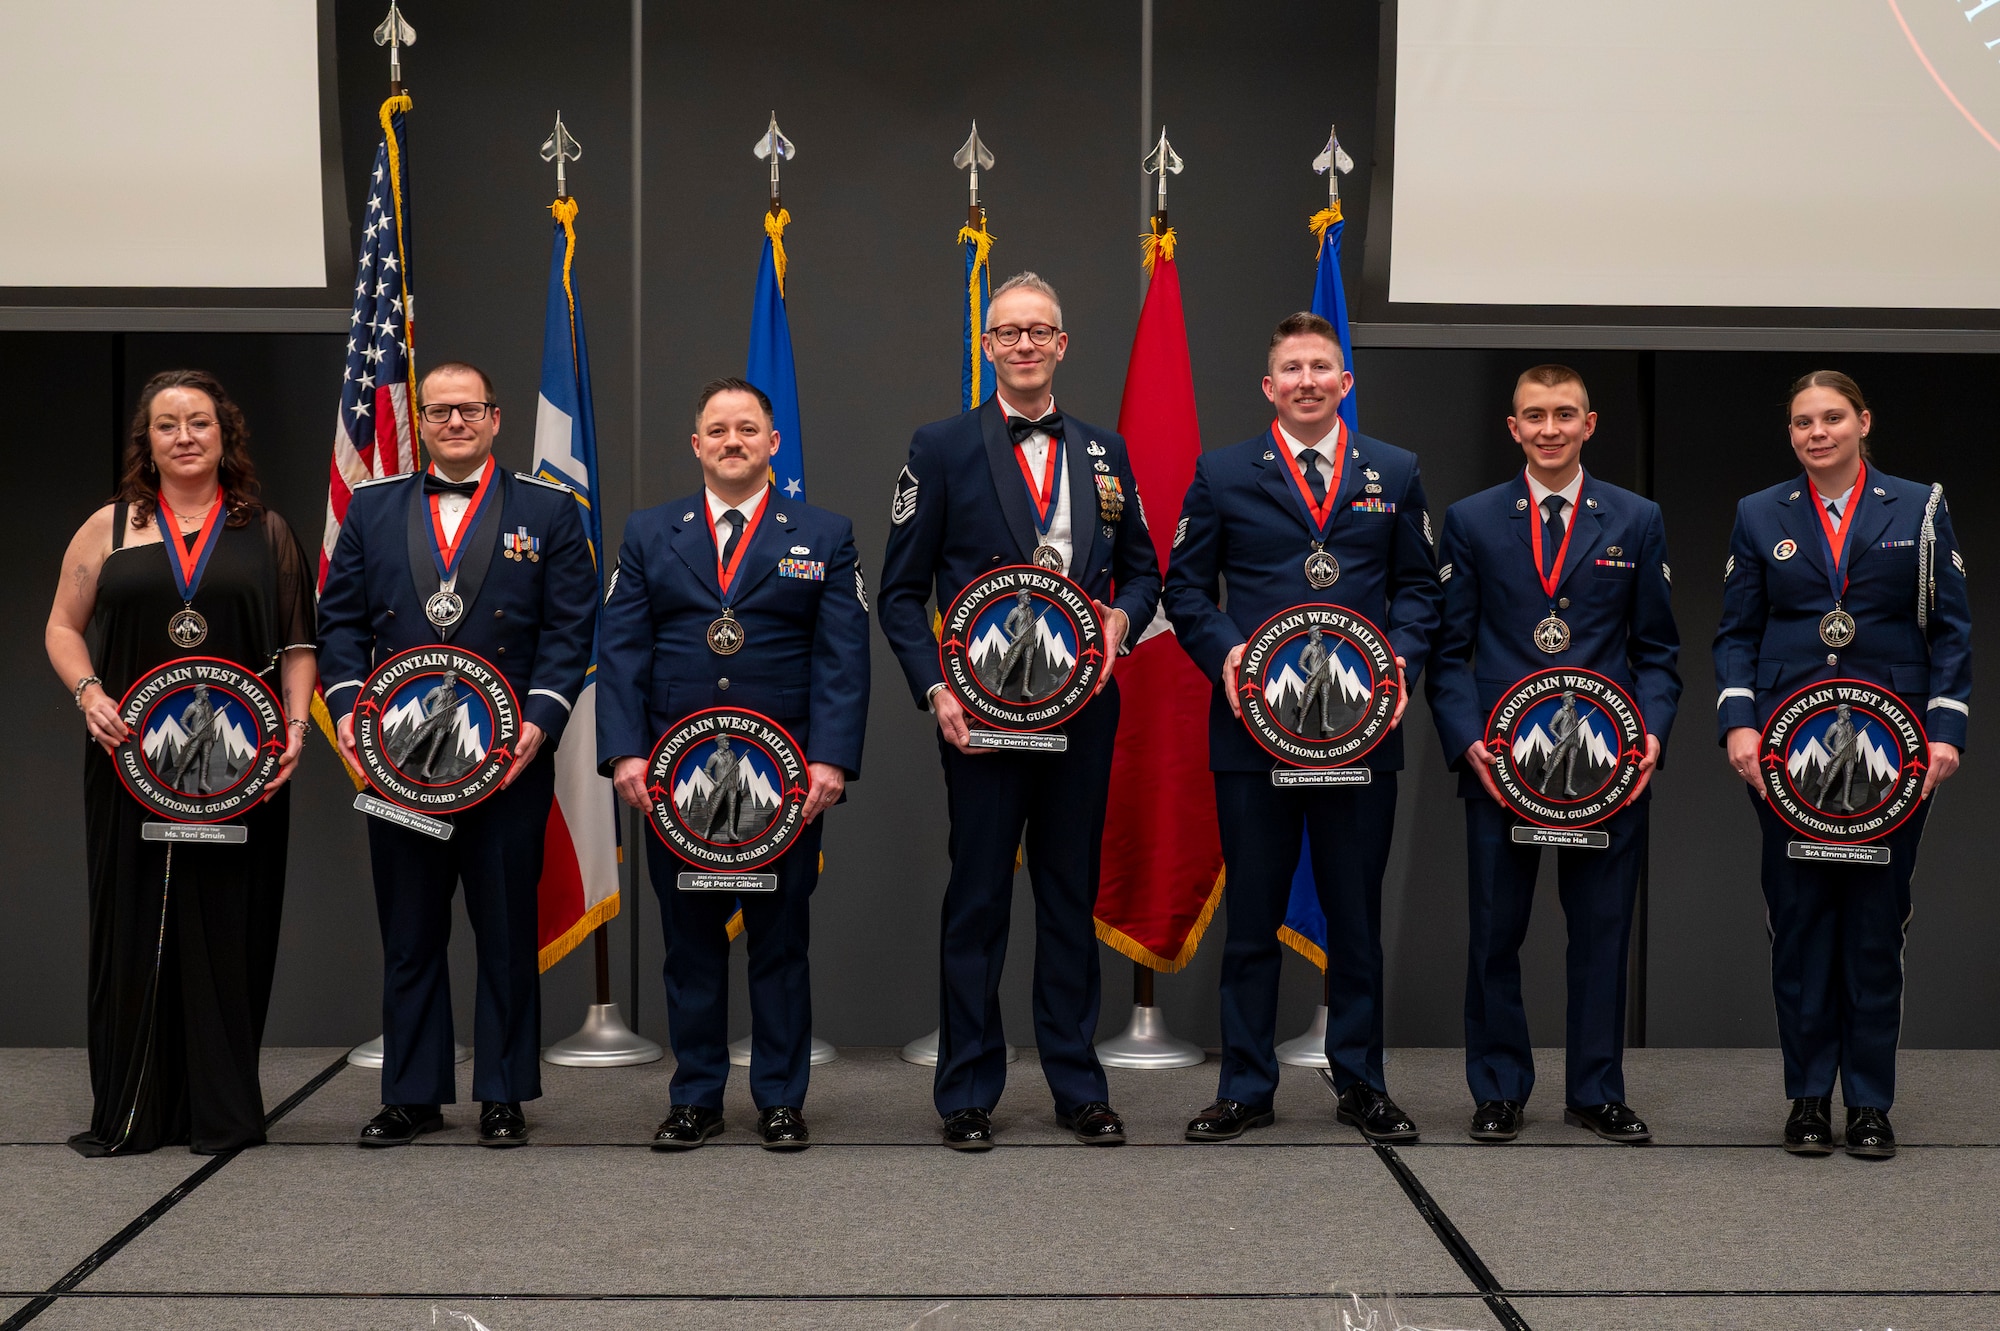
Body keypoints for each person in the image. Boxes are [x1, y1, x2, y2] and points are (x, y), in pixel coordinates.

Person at [878, 272, 1161, 1150]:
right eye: (1011, 332)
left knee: (1071, 898)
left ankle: (1078, 1085)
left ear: (1062, 345)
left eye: (1042, 331)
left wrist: (1123, 612)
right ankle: (967, 1091)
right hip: (982, 714)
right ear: (989, 346)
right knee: (978, 900)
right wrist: (937, 689)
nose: (1027, 344)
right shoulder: (941, 445)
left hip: (1082, 710)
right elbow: (898, 593)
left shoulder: (1107, 450)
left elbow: (1148, 568)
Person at [1165, 312, 1441, 1144]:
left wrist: (1397, 664)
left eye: (1323, 366)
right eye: (1293, 368)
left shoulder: (1396, 470)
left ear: (1344, 382)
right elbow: (1184, 591)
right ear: (1269, 386)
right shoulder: (1220, 473)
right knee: (1252, 920)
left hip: (1362, 736)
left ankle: (1361, 1081)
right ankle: (1246, 1085)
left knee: (1356, 917)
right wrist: (1230, 655)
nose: (1309, 380)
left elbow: (1422, 593)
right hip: (1253, 736)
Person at [318, 361, 597, 1149]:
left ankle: (503, 1092)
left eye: (469, 409)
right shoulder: (371, 508)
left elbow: (570, 630)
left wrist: (539, 723)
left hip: (507, 758)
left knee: (506, 928)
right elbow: (337, 623)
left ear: (496, 417)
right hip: (400, 758)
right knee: (409, 928)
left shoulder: (550, 510)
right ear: (424, 421)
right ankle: (412, 1092)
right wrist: (345, 709)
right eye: (439, 411)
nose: (454, 423)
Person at [45, 369, 316, 1156]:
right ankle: (132, 1110)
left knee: (232, 925)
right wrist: (90, 692)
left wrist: (296, 725)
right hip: (131, 760)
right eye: (168, 424)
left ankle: (222, 1113)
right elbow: (63, 628)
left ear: (225, 433)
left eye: (200, 421)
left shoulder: (266, 531)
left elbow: (299, 642)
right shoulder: (108, 528)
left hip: (244, 765)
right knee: (131, 921)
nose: (185, 435)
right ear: (148, 441)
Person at [598, 377, 868, 1152]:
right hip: (672, 782)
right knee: (689, 943)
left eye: (747, 428)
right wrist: (624, 752)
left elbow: (842, 656)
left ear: (772, 444)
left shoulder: (823, 532)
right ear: (696, 445)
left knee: (781, 941)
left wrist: (832, 761)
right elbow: (620, 651)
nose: (732, 441)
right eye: (716, 430)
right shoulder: (650, 533)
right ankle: (696, 1097)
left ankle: (781, 1098)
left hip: (783, 781)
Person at [1714, 370, 1969, 1159]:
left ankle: (1867, 1102)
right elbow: (1737, 632)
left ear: (1863, 420)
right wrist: (1738, 725)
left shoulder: (1919, 508)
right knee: (1798, 925)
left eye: (1830, 418)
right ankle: (1805, 1099)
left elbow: (1951, 631)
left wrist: (1946, 731)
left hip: (1895, 753)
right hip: (1789, 753)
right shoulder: (1760, 513)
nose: (1815, 432)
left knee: (1871, 926)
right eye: (1801, 422)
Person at [1425, 364, 1680, 1145]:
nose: (1549, 428)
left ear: (1590, 424)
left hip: (1606, 769)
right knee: (1496, 933)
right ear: (1513, 427)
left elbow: (1659, 651)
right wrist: (1471, 745)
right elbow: (1449, 652)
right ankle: (1498, 1088)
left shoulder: (1635, 519)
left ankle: (1597, 1090)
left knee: (1602, 932)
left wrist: (1653, 735)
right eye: (1534, 414)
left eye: (1564, 414)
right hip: (1500, 769)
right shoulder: (1469, 520)